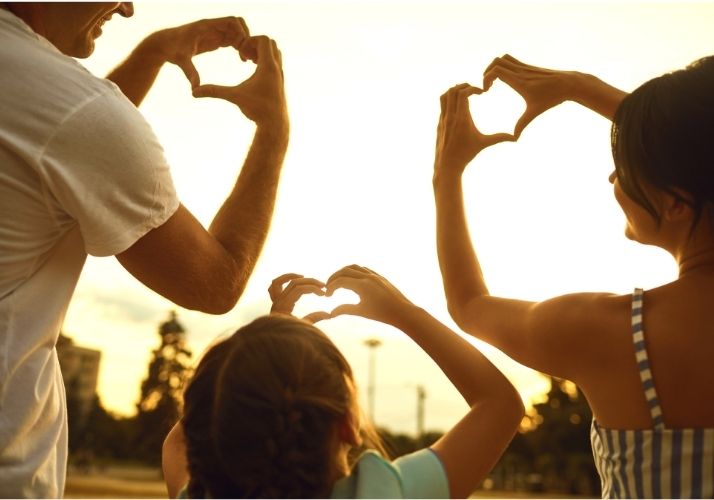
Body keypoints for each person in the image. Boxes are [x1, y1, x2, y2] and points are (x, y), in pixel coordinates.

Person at [0, 3, 289, 497]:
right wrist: (273, 132)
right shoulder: (76, 113)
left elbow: (66, 151)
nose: (128, 7)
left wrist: (153, 54)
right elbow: (216, 282)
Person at [433, 54, 714, 498]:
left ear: (677, 202)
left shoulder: (613, 332)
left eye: (625, 165)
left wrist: (446, 174)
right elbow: (696, 146)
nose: (612, 177)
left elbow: (469, 305)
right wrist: (581, 87)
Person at [161, 266, 524, 498]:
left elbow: (178, 443)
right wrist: (405, 314)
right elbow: (500, 404)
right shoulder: (386, 495)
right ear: (348, 425)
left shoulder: (201, 495)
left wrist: (263, 345)